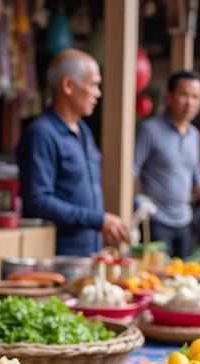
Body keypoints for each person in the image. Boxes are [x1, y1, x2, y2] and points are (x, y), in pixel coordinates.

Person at [17, 49, 130, 255]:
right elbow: (38, 200)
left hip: (90, 252)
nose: (98, 93)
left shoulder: (84, 131)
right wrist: (98, 220)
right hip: (58, 255)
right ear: (68, 85)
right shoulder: (41, 133)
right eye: (93, 84)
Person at [133, 71, 200, 258]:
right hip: (156, 221)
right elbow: (130, 171)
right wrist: (135, 204)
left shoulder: (194, 135)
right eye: (184, 95)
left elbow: (198, 183)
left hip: (185, 222)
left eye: (195, 97)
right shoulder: (149, 130)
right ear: (169, 96)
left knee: (182, 278)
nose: (189, 102)